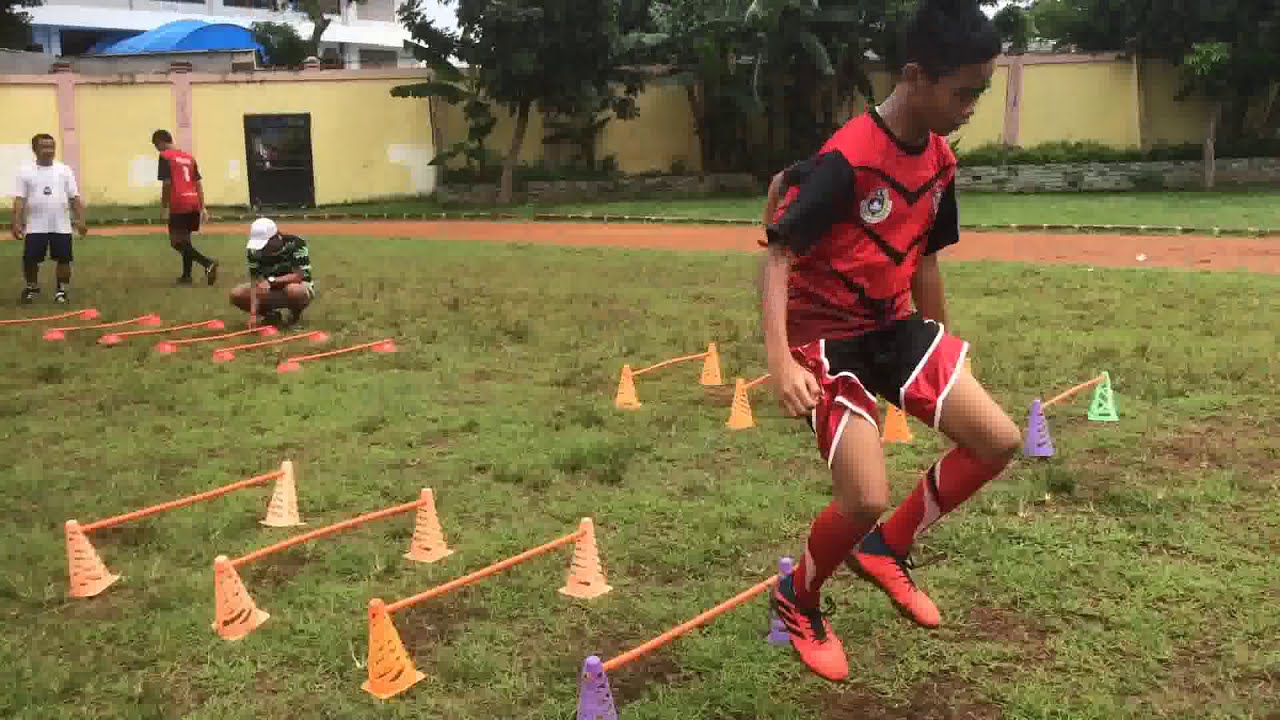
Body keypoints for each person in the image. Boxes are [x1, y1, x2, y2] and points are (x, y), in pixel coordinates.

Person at [761, 0, 1022, 682]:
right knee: (864, 494)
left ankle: (887, 549)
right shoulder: (847, 160)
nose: (971, 107)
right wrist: (780, 362)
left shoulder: (939, 163)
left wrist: (940, 342)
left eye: (979, 93)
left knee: (996, 440)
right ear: (914, 76)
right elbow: (777, 254)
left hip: (895, 329)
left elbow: (928, 259)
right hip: (825, 342)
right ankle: (799, 599)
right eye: (964, 92)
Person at [10, 134, 87, 304]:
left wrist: (81, 220)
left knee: (64, 259)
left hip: (61, 225)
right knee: (30, 260)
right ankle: (32, 288)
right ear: (35, 149)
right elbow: (20, 200)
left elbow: (74, 197)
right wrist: (16, 222)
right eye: (44, 147)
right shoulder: (25, 172)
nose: (49, 151)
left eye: (51, 147)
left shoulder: (64, 170)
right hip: (35, 226)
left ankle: (61, 290)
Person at [152, 129, 217, 286]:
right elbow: (198, 183)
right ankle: (186, 276)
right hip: (193, 201)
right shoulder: (189, 158)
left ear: (161, 142)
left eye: (156, 145)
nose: (157, 149)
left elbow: (167, 184)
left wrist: (164, 206)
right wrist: (203, 207)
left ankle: (208, 263)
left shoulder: (165, 157)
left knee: (176, 242)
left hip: (178, 202)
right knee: (185, 240)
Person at [230, 218, 314, 327]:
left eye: (265, 243)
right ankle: (271, 315)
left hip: (298, 287)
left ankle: (294, 316)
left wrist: (271, 281)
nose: (263, 247)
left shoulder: (296, 243)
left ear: (275, 237)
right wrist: (253, 314)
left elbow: (299, 276)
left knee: (294, 290)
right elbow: (255, 281)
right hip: (269, 289)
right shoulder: (254, 251)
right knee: (236, 294)